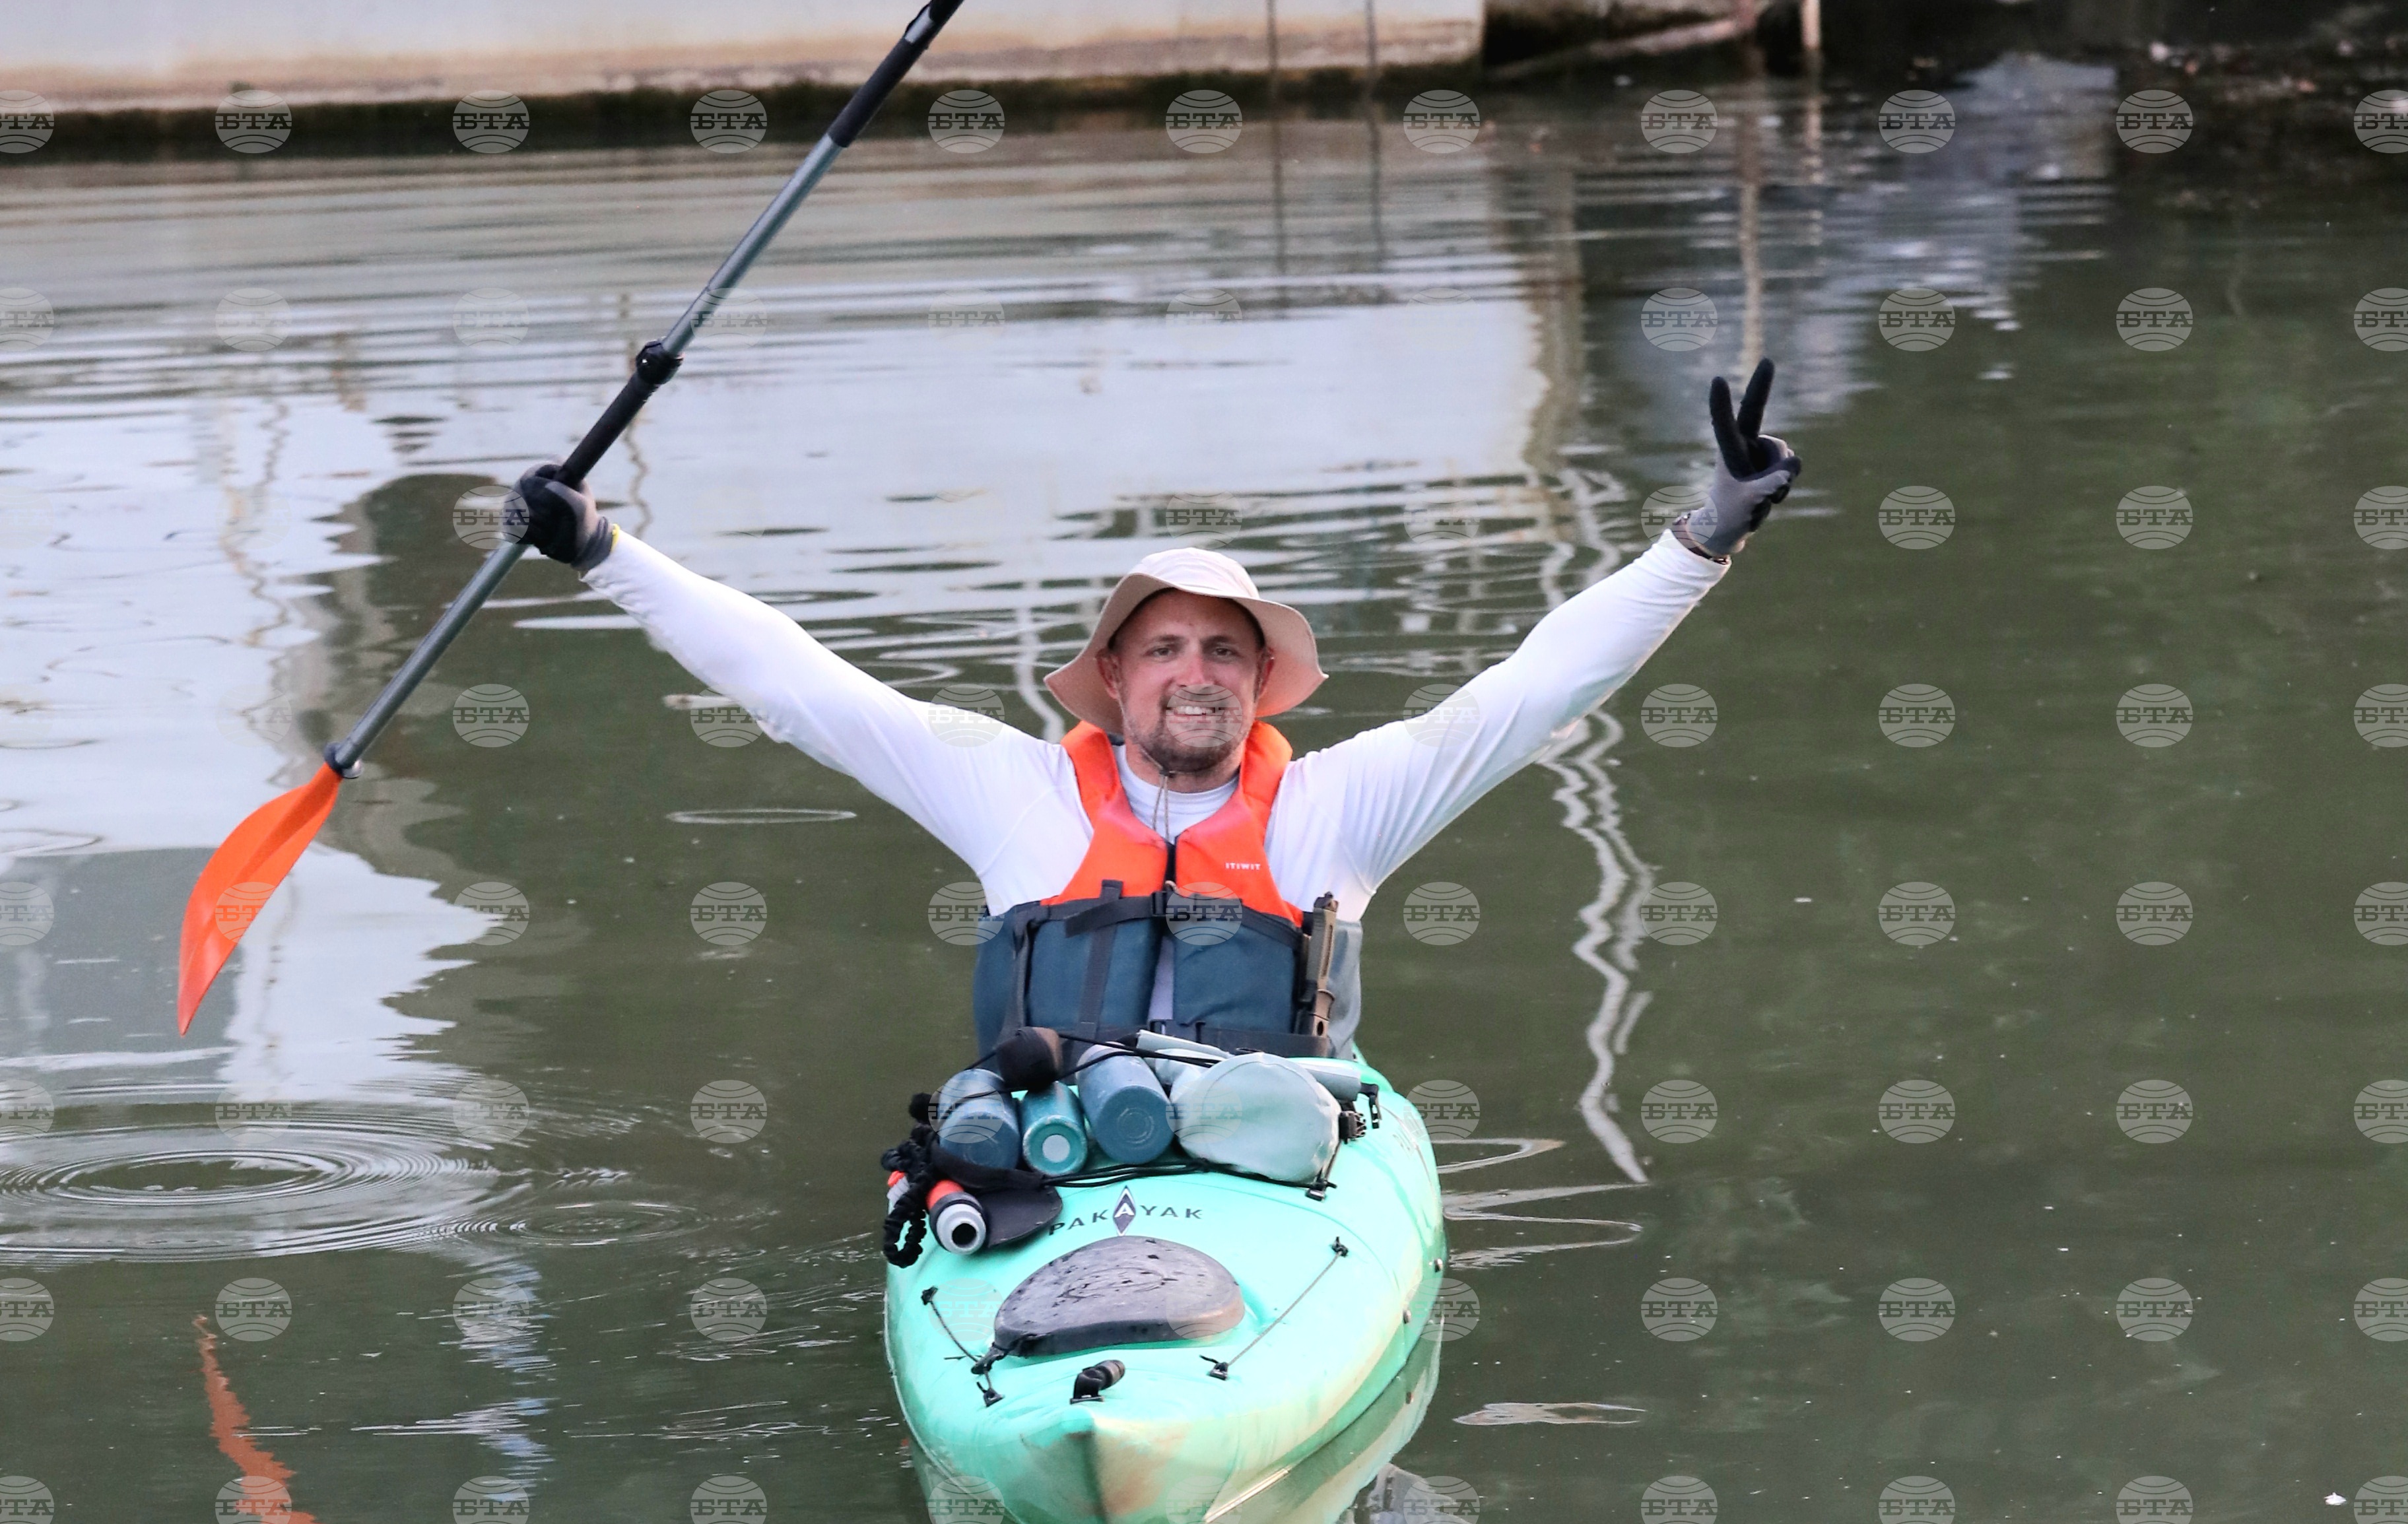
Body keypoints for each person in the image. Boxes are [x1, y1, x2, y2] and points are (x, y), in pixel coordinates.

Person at [510, 359, 1799, 1061]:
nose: (1197, 673)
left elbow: (1539, 685)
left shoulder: (1340, 808)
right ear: (1114, 678)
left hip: (1273, 1180)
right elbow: (801, 685)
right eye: (1166, 649)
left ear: (1262, 682)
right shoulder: (1008, 790)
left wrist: (1707, 535)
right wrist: (604, 552)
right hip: (1056, 1160)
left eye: (1227, 652)